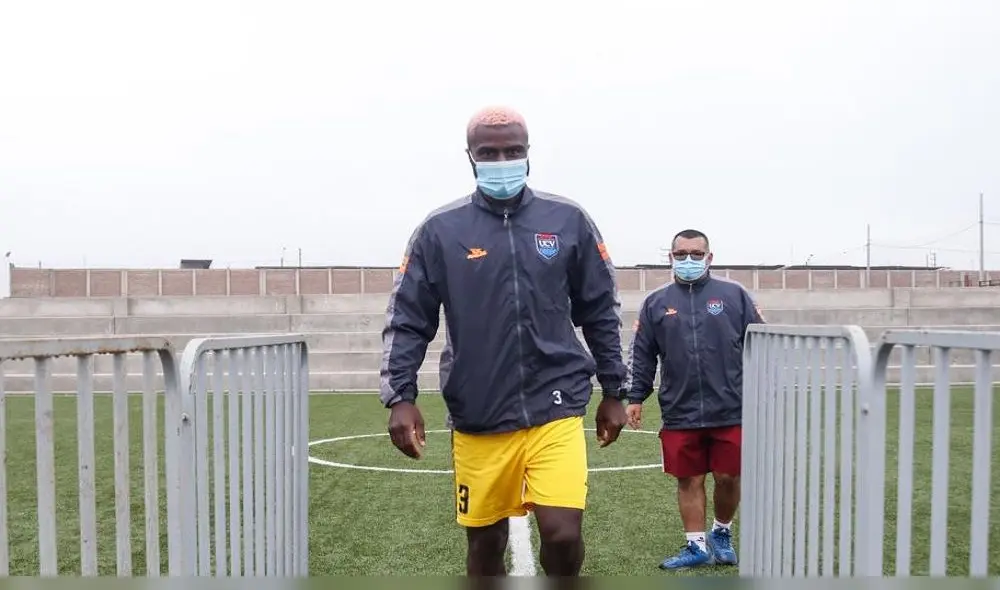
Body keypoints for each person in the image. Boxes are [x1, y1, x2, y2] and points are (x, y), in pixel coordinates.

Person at [379, 106, 629, 577]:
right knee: (486, 544)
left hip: (555, 404)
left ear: (528, 153)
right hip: (479, 413)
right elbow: (408, 317)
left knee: (563, 533)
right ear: (470, 158)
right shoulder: (440, 230)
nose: (502, 160)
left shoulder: (568, 220)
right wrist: (400, 397)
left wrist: (615, 390)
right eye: (489, 153)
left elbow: (600, 309)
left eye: (513, 151)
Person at [623, 228, 764, 570]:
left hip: (731, 407)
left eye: (696, 254)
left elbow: (761, 343)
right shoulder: (656, 303)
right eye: (681, 253)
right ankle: (696, 546)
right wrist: (636, 396)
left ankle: (722, 532)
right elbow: (643, 354)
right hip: (680, 409)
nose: (689, 260)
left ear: (709, 257)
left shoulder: (735, 295)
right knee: (690, 479)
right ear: (670, 257)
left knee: (729, 478)